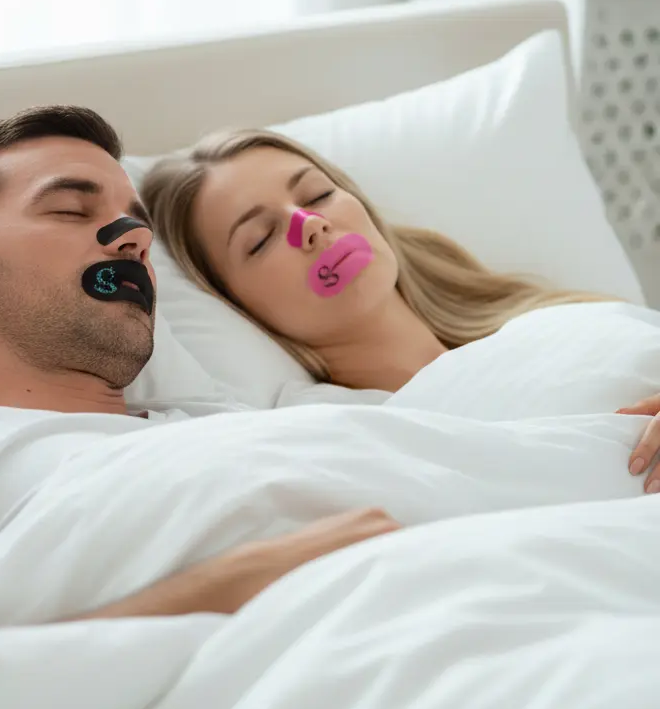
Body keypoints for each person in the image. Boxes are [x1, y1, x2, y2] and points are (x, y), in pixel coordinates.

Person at [0, 106, 400, 664]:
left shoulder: (244, 419)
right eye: (72, 210)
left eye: (138, 224)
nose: (133, 240)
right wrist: (223, 591)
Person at [143, 127, 660, 474]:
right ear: (235, 305)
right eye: (260, 238)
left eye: (318, 195)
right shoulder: (331, 436)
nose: (312, 227)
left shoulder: (557, 322)